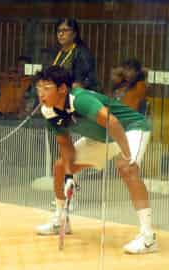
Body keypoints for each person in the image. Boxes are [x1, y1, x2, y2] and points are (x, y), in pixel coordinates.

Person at [34, 66, 158, 254]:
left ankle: (148, 237)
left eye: (47, 88)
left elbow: (113, 122)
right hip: (101, 139)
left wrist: (126, 155)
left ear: (62, 89)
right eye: (39, 88)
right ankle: (61, 221)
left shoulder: (80, 99)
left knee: (127, 169)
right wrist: (69, 175)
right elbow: (66, 145)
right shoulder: (49, 111)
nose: (41, 93)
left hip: (130, 128)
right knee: (60, 167)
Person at [52, 19, 99, 91]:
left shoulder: (82, 53)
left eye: (65, 30)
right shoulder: (56, 52)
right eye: (58, 31)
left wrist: (81, 84)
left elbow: (90, 79)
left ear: (74, 34)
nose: (61, 34)